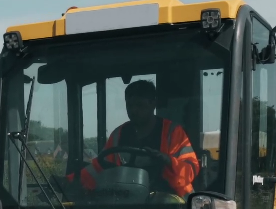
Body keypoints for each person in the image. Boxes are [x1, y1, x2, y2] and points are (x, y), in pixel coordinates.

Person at [69, 79, 198, 198]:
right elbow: (99, 168)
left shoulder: (172, 132)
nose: (133, 110)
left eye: (139, 105)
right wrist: (70, 181)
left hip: (169, 203)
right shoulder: (119, 134)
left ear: (153, 103)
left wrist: (167, 161)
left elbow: (190, 170)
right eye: (129, 105)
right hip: (126, 203)